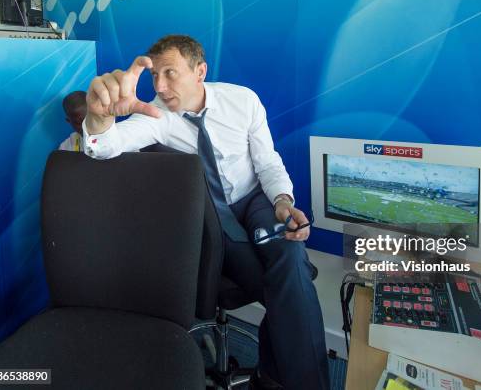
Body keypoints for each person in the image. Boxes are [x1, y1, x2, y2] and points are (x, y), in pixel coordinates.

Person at [81, 35, 330, 390]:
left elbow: (267, 161)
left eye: (170, 73)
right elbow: (103, 148)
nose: (161, 86)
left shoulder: (242, 100)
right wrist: (98, 118)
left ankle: (274, 378)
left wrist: (283, 200)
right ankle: (281, 381)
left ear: (200, 71)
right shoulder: (157, 115)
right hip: (213, 220)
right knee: (290, 283)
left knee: (289, 253)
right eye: (155, 77)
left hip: (257, 200)